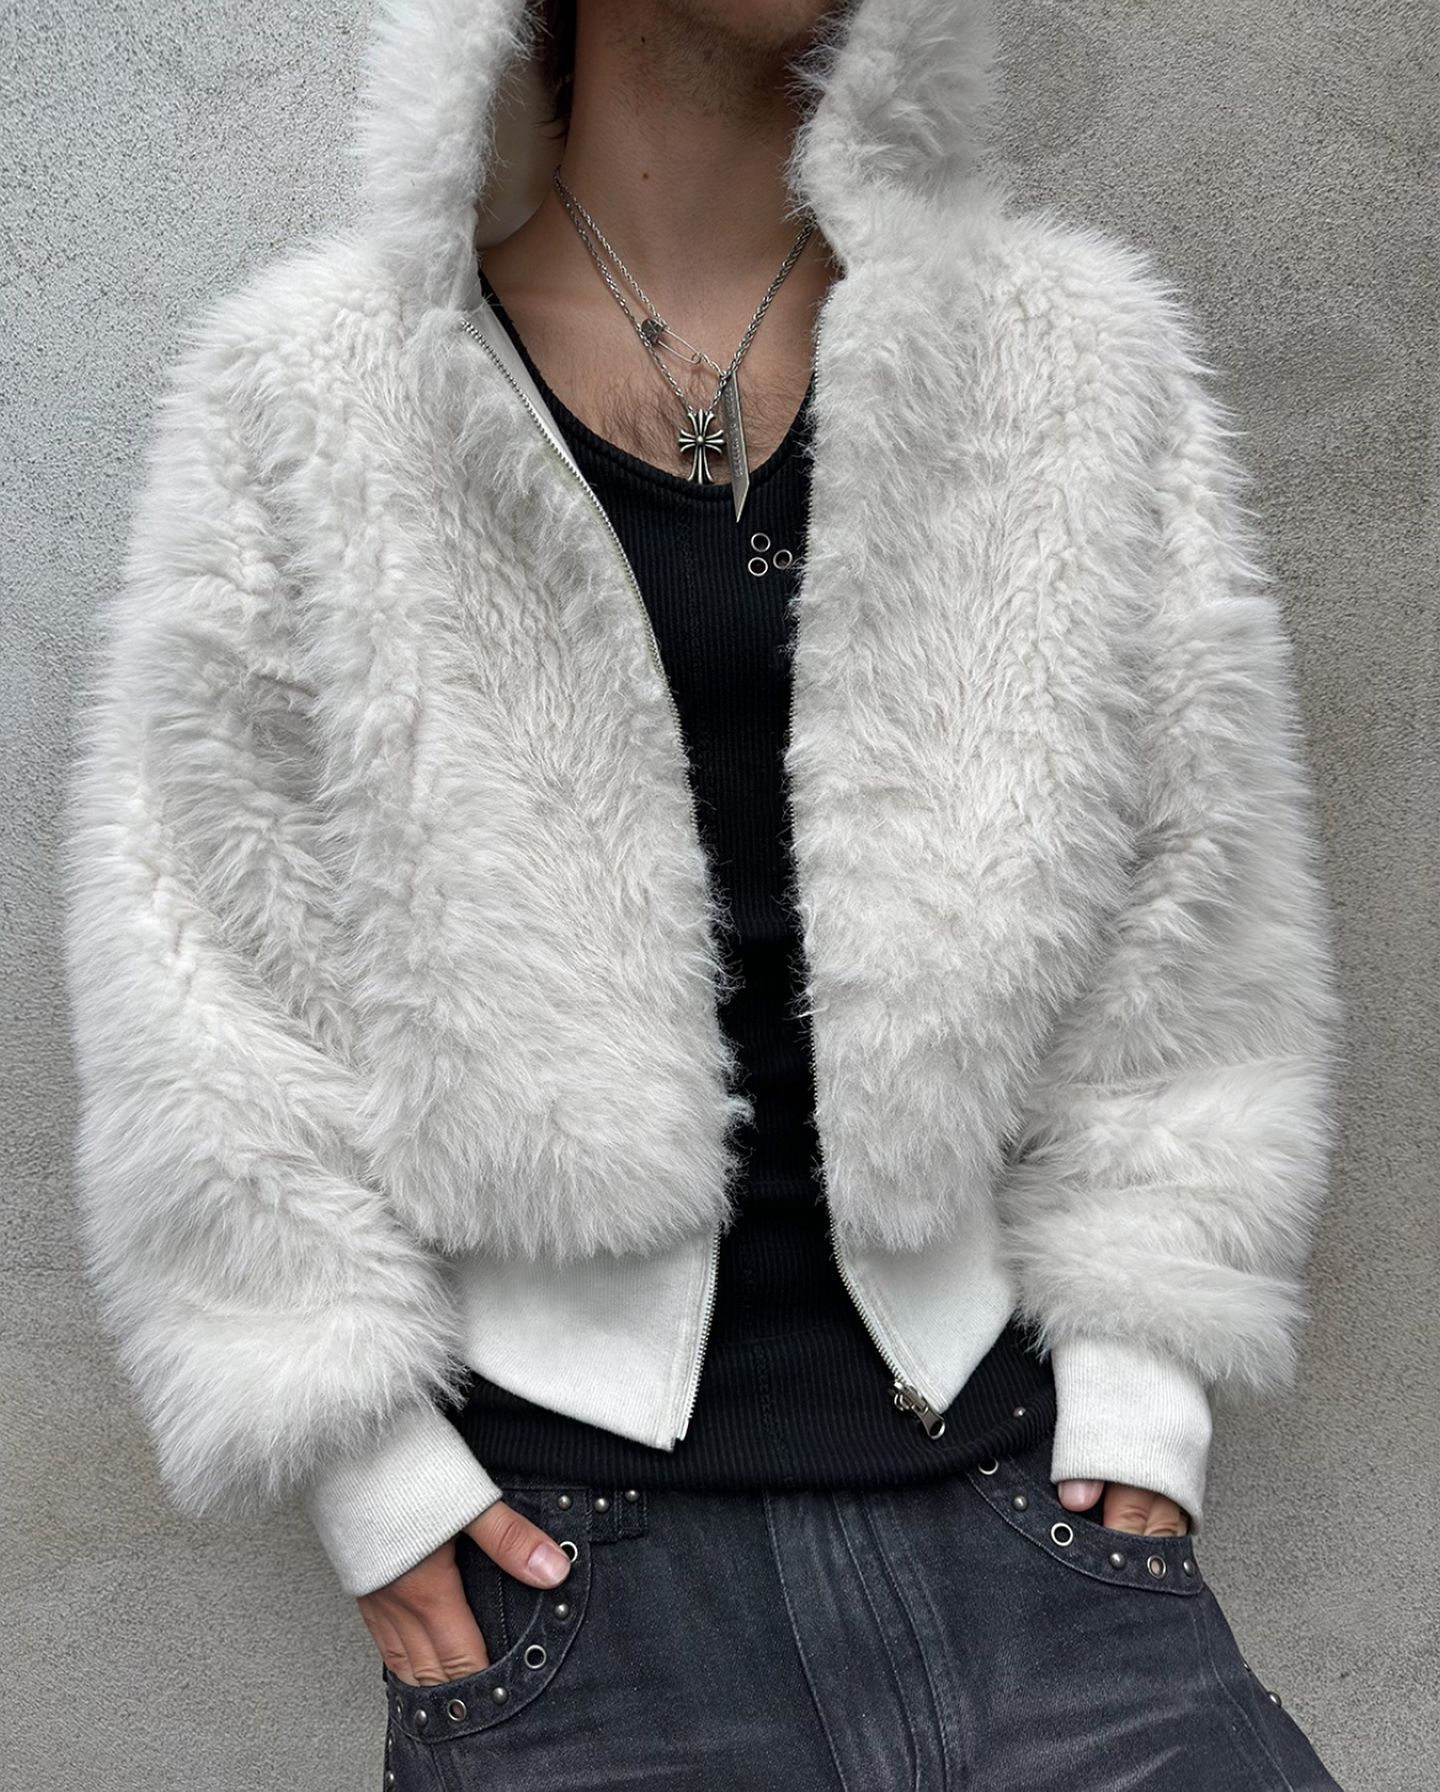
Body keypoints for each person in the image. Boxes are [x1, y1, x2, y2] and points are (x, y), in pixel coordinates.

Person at [62, 0, 1348, 1785]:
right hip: (569, 1579)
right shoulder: (313, 392)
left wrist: (1144, 1382)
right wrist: (365, 1465)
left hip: (1043, 1525)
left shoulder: (1069, 360)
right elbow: (198, 949)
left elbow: (1202, 894)